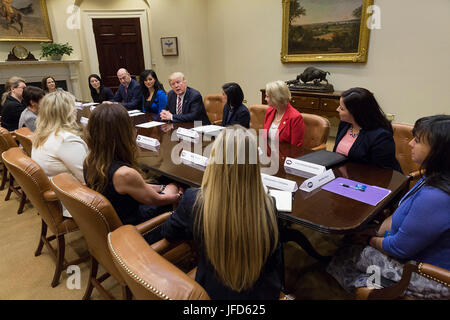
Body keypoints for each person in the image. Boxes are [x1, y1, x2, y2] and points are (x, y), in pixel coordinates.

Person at [327, 115, 450, 299]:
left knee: (344, 256)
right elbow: (400, 217)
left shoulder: (437, 197)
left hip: (431, 275)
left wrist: (370, 240)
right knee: (349, 242)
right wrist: (374, 232)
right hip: (418, 254)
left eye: (417, 140)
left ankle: (376, 291)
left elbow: (399, 249)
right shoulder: (434, 175)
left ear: (439, 151)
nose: (410, 144)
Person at [161, 125, 283, 299]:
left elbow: (169, 233)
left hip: (210, 291)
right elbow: (273, 263)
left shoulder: (192, 200)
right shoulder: (269, 206)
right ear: (254, 165)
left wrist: (179, 211)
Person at [83, 103, 181, 233]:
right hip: (136, 230)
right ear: (123, 133)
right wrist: (176, 193)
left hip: (117, 219)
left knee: (162, 181)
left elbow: (139, 187)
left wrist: (162, 187)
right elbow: (159, 200)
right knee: (189, 199)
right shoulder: (124, 174)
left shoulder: (89, 160)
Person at [333, 87, 402, 172]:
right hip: (343, 177)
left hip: (369, 180)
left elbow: (382, 172)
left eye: (342, 108)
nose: (337, 109)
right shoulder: (345, 124)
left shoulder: (381, 136)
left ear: (356, 112)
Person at [31, 90, 88, 184]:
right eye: (73, 107)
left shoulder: (41, 134)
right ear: (65, 112)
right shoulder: (66, 140)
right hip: (75, 192)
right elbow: (88, 177)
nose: (76, 110)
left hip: (59, 188)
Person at [263, 80, 305, 147]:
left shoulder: (295, 117)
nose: (265, 99)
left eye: (267, 96)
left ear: (276, 98)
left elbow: (295, 148)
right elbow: (265, 138)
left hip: (284, 156)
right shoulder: (269, 112)